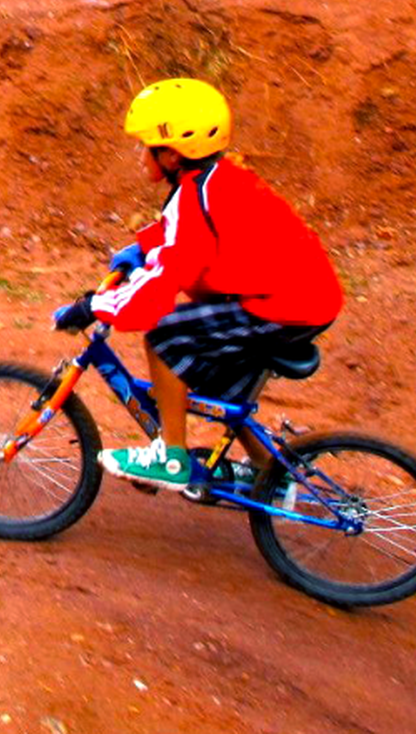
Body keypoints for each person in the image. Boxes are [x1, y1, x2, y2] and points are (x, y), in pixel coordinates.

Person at [51, 79, 343, 491]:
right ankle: (271, 475)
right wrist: (142, 250)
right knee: (218, 381)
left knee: (164, 334)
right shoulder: (217, 180)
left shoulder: (197, 197)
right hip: (304, 295)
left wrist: (95, 306)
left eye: (147, 147)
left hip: (287, 305)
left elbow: (162, 283)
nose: (141, 156)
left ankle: (171, 458)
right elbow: (187, 239)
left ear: (173, 154)